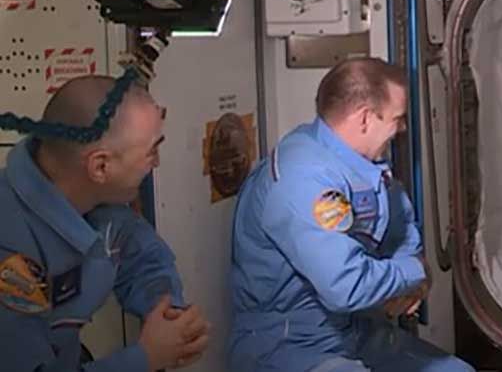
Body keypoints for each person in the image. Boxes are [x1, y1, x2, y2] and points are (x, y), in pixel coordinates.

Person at [227, 57, 474, 372]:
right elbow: (346, 287)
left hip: (351, 331)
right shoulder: (303, 178)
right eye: (398, 119)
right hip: (289, 345)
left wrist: (411, 283)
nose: (401, 129)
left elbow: (400, 226)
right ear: (365, 119)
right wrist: (413, 271)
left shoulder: (358, 166)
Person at [0, 74, 211, 371]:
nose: (157, 162)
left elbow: (143, 259)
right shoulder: (10, 246)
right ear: (100, 166)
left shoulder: (99, 204)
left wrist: (165, 311)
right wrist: (145, 358)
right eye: (152, 150)